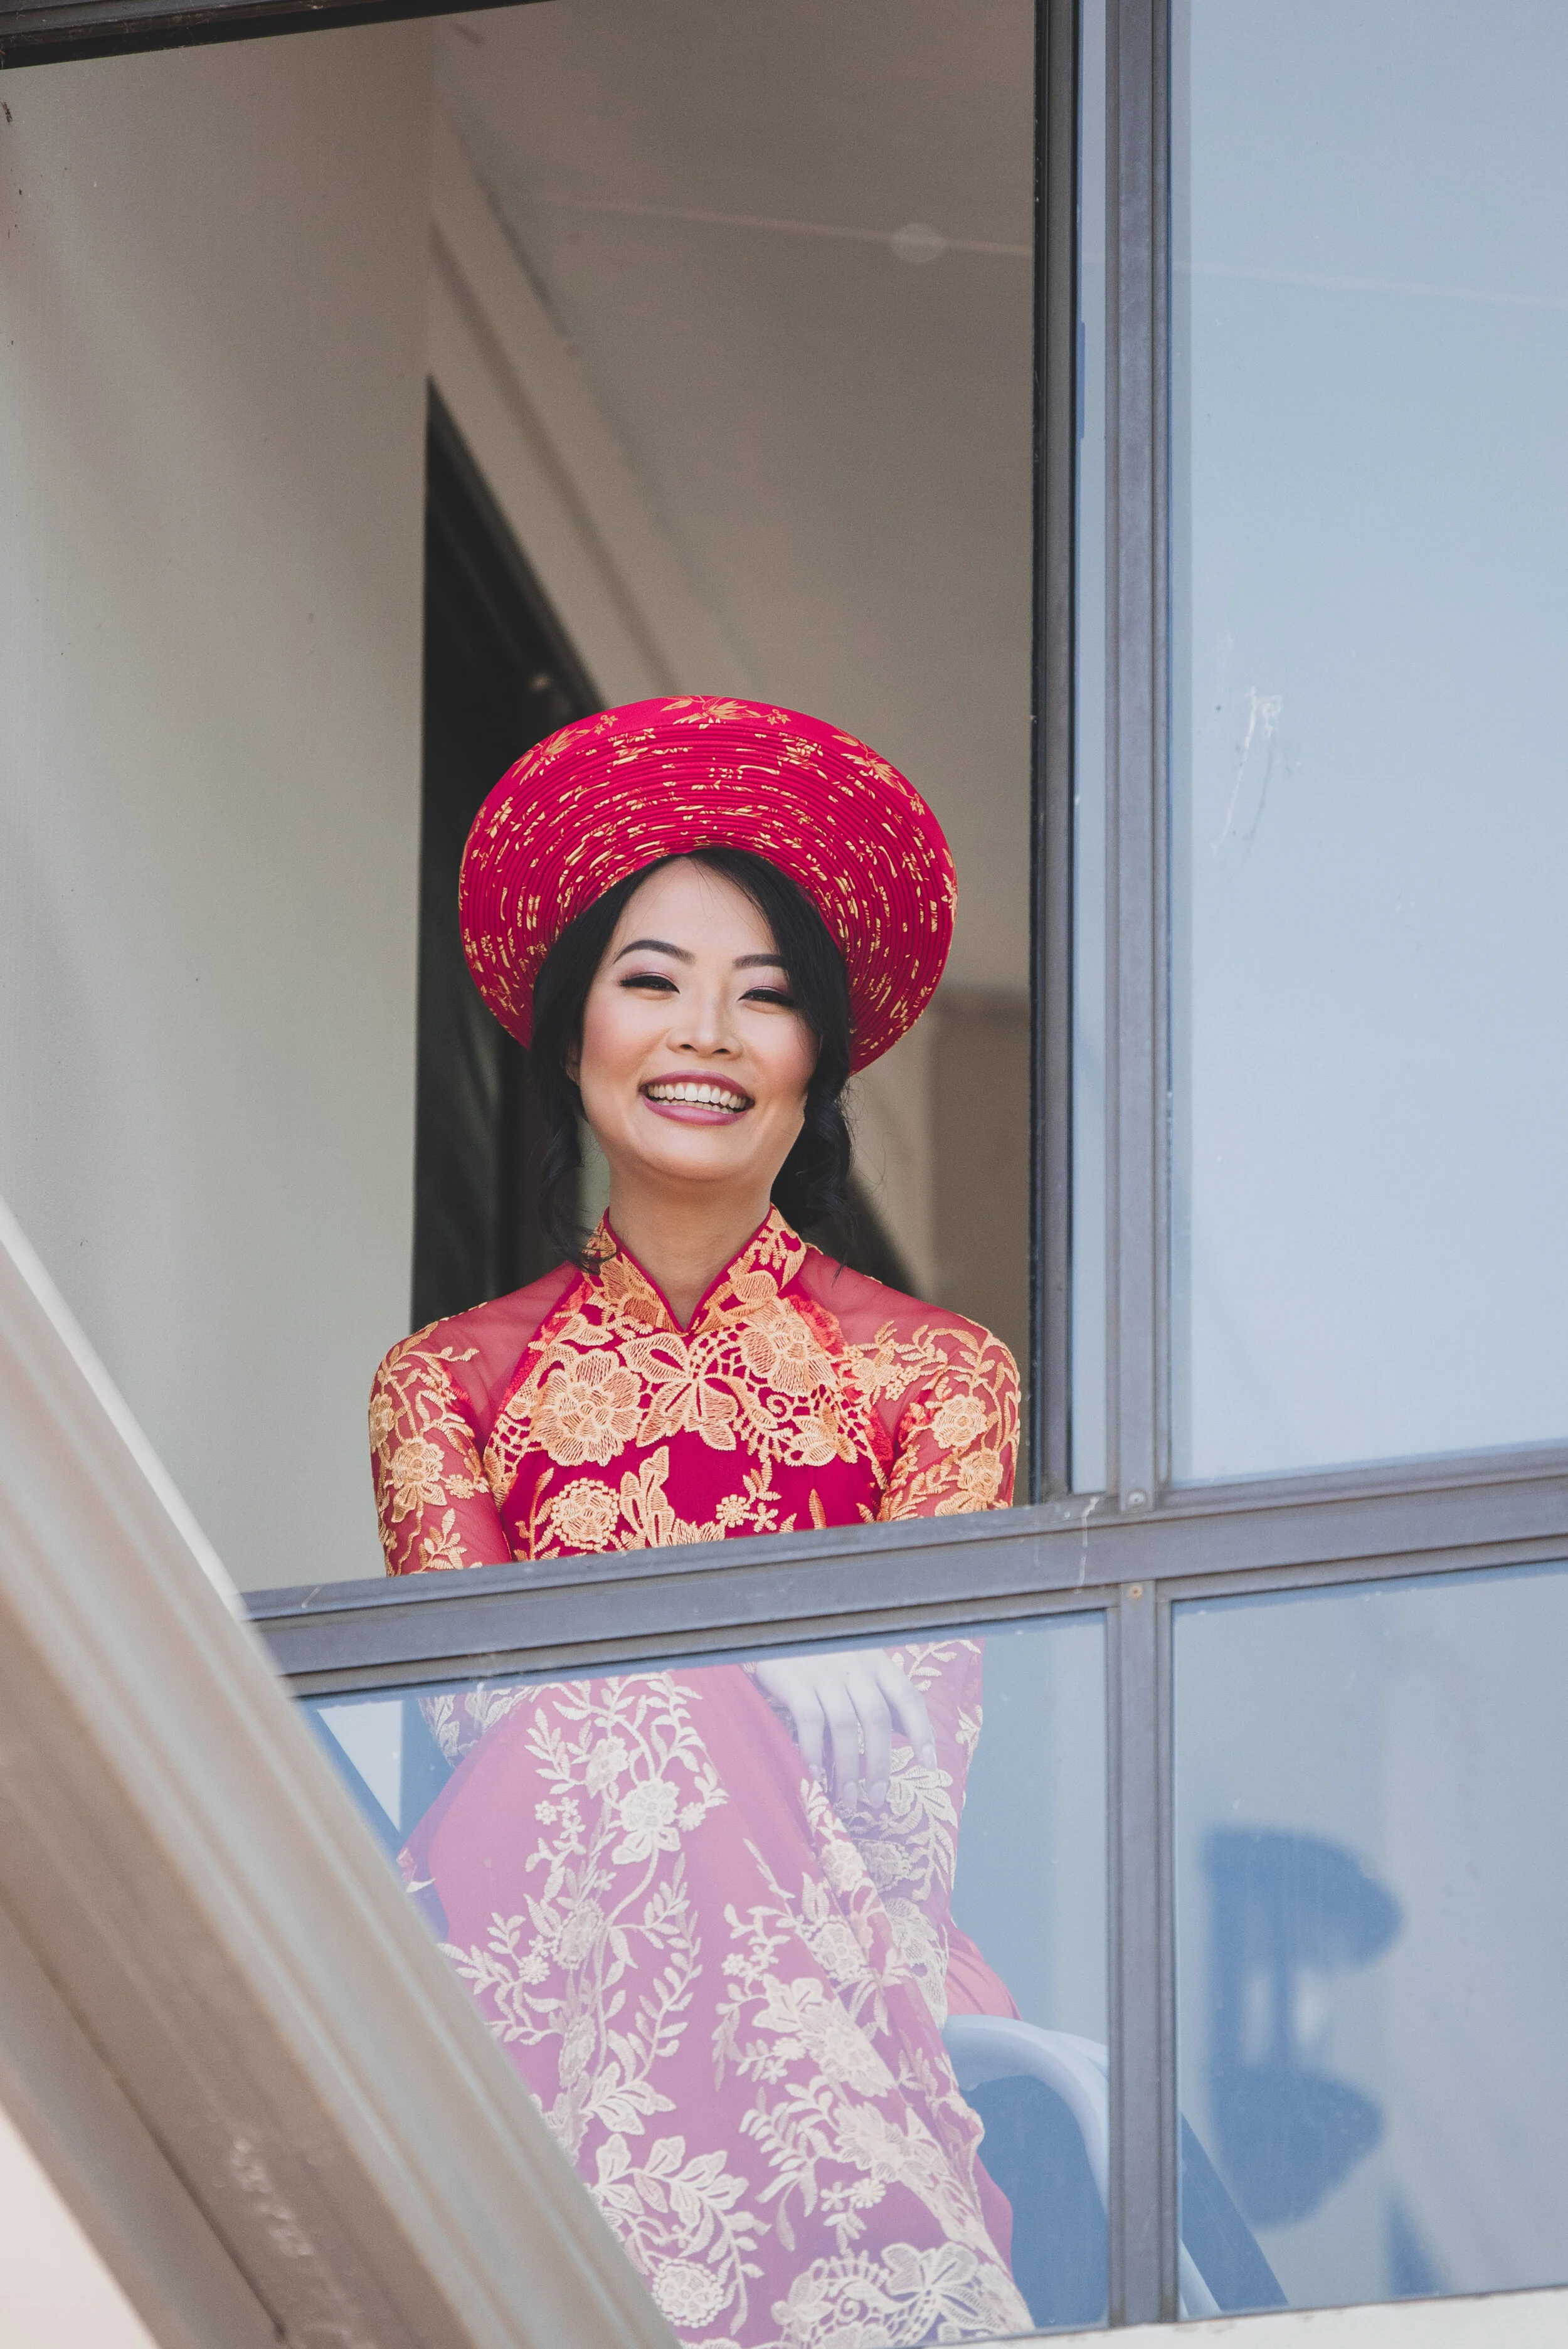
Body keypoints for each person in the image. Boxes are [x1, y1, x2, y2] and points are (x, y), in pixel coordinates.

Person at [370, 697, 1032, 2349]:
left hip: (841, 1944)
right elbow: (471, 1723)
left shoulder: (934, 1376)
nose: (707, 1036)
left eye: (766, 997)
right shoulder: (444, 1385)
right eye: (652, 982)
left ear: (818, 1055)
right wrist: (726, 1654)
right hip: (541, 1921)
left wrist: (694, 1669)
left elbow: (913, 1763)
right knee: (621, 1718)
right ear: (575, 1032)